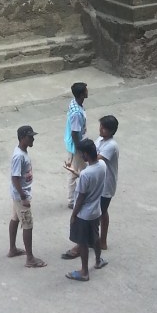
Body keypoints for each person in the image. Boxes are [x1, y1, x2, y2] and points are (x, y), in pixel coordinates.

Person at [64, 140, 108, 282]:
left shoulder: (85, 174)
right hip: (96, 211)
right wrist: (76, 172)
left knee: (82, 242)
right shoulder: (102, 165)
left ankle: (84, 271)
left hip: (84, 214)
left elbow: (81, 197)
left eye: (82, 154)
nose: (81, 156)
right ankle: (98, 260)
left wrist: (73, 214)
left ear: (87, 154)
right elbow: (91, 180)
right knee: (95, 237)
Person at [8, 124, 46, 269]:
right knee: (27, 224)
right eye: (30, 137)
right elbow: (15, 178)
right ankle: (30, 258)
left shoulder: (21, 152)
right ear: (22, 138)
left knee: (15, 219)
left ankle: (12, 249)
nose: (33, 139)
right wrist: (23, 197)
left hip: (18, 194)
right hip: (20, 196)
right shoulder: (19, 156)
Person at [95, 114, 119, 252]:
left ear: (111, 131)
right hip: (99, 182)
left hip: (106, 185)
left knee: (100, 212)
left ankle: (100, 240)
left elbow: (96, 158)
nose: (101, 130)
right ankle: (100, 240)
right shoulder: (100, 139)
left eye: (104, 128)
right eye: (101, 127)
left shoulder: (111, 146)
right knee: (102, 212)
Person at [64, 82, 88, 208]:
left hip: (79, 143)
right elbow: (75, 132)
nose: (87, 92)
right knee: (74, 173)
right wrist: (80, 149)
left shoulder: (75, 104)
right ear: (81, 94)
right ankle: (71, 201)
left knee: (84, 170)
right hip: (77, 146)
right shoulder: (76, 114)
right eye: (85, 90)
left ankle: (85, 193)